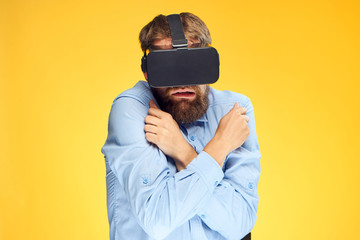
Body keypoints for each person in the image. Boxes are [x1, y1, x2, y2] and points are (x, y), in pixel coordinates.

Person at [101, 12, 261, 240]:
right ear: (147, 72)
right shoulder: (131, 110)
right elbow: (157, 219)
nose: (181, 82)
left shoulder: (234, 111)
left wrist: (183, 152)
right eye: (167, 67)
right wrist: (218, 147)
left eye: (192, 65)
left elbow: (240, 225)